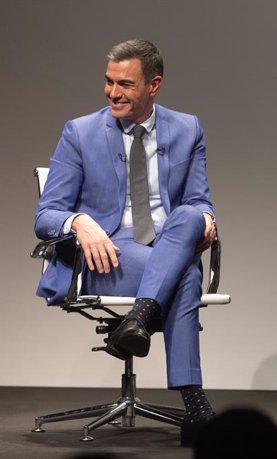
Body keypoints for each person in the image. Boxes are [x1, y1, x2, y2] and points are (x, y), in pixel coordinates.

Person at [35, 39, 217, 446]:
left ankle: (142, 313)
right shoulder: (80, 132)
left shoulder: (187, 129)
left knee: (189, 216)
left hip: (162, 248)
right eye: (108, 82)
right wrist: (79, 221)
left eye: (125, 84)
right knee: (186, 276)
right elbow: (46, 216)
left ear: (154, 85)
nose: (112, 93)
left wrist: (207, 218)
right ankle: (195, 401)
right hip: (106, 259)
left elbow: (199, 200)